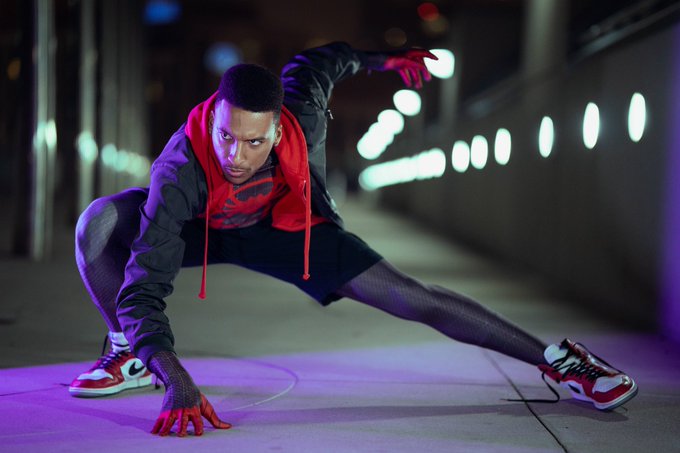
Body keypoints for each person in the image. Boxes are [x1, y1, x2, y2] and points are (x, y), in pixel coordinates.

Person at [69, 42, 637, 437]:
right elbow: (145, 285)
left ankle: (564, 362)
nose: (235, 156)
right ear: (215, 115)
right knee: (99, 224)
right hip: (204, 229)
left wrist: (384, 59)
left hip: (286, 232)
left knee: (411, 295)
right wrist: (175, 376)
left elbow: (322, 60)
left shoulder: (303, 109)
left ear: (278, 130)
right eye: (226, 136)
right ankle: (129, 354)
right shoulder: (181, 169)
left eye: (254, 142)